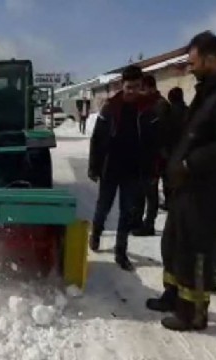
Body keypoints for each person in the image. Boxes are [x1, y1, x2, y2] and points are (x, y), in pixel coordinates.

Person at [145, 31, 216, 331]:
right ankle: (173, 296)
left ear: (211, 59)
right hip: (186, 188)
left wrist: (188, 163)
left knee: (197, 250)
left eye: (193, 62)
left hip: (207, 190)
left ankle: (193, 312)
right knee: (174, 243)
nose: (189, 68)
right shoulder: (207, 92)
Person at [88, 65, 159, 271]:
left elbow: (153, 142)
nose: (132, 91)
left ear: (141, 86)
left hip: (133, 170)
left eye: (136, 87)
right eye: (129, 87)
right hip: (110, 168)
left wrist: (152, 170)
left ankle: (121, 251)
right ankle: (96, 233)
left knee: (127, 212)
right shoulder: (110, 107)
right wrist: (94, 166)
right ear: (122, 85)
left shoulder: (147, 109)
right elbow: (97, 139)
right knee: (103, 206)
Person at [132, 75, 170, 236]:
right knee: (139, 191)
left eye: (142, 88)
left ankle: (149, 225)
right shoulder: (144, 104)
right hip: (141, 155)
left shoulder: (160, 105)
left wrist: (160, 158)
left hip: (154, 157)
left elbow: (161, 134)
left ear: (151, 88)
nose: (140, 92)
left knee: (151, 193)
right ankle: (136, 221)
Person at [159, 87, 189, 210]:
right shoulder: (190, 111)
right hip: (186, 152)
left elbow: (164, 133)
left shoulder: (168, 114)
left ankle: (170, 203)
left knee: (169, 181)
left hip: (171, 153)